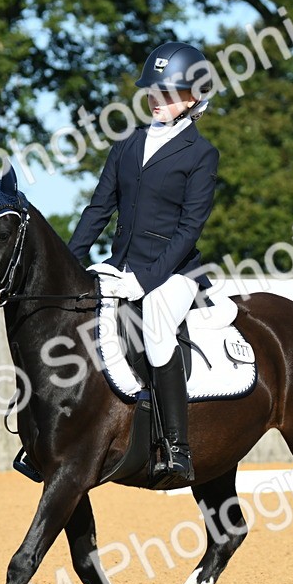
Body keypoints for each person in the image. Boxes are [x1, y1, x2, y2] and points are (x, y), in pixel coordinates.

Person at [68, 41, 220, 484]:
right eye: (153, 91)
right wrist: (71, 262)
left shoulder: (200, 154)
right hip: (122, 266)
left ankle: (176, 446)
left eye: (168, 93)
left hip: (174, 274)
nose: (157, 100)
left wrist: (148, 280)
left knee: (154, 322)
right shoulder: (129, 143)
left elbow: (189, 230)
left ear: (193, 99)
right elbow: (98, 210)